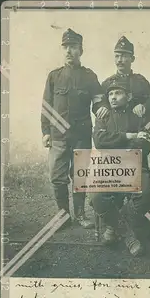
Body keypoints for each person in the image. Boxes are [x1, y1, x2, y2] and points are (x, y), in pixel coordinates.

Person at [41, 28, 109, 229]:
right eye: (66, 47)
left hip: (81, 135)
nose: (69, 51)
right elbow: (46, 107)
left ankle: (80, 214)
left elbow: (98, 101)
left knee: (80, 175)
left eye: (73, 47)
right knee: (57, 176)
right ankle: (63, 215)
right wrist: (45, 131)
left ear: (81, 50)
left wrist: (102, 108)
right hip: (58, 136)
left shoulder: (89, 76)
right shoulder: (54, 76)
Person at [91, 78, 150, 257]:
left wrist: (117, 142)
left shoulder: (138, 116)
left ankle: (114, 226)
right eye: (110, 94)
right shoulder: (103, 117)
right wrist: (128, 136)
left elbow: (144, 144)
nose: (113, 97)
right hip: (110, 167)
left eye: (117, 93)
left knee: (146, 194)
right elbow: (99, 142)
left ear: (129, 96)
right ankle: (129, 236)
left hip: (134, 165)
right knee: (97, 197)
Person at [102, 36, 150, 119]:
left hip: (137, 128)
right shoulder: (107, 84)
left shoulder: (141, 82)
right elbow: (102, 105)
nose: (119, 60)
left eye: (124, 56)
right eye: (117, 56)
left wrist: (144, 106)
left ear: (132, 59)